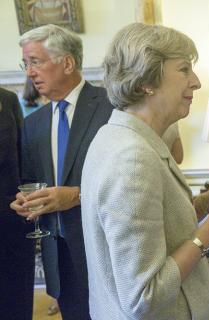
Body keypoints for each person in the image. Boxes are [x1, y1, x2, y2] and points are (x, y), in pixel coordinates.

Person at [80, 22, 209, 319]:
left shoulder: (118, 135)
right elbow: (143, 295)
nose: (195, 81)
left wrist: (207, 204)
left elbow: (159, 227)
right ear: (147, 80)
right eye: (184, 69)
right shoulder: (132, 157)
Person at [10, 24, 113, 319]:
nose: (29, 72)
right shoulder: (34, 123)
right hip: (60, 261)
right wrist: (25, 200)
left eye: (36, 62)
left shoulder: (112, 107)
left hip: (105, 252)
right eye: (26, 64)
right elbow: (32, 180)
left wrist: (78, 195)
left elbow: (134, 180)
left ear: (66, 62)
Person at [0, 87, 36, 320]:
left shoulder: (8, 99)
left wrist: (30, 197)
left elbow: (25, 159)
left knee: (16, 306)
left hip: (14, 222)